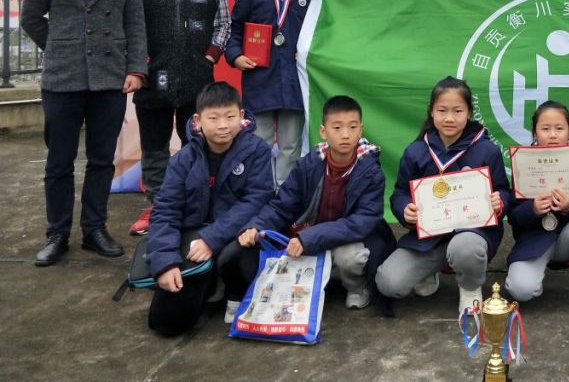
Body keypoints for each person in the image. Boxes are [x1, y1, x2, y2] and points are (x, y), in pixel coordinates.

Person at [21, 0, 148, 267]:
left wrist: (135, 68)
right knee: (59, 160)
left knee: (101, 159)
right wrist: (62, 46)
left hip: (110, 78)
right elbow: (31, 17)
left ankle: (94, 229)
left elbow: (134, 22)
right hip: (63, 79)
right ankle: (57, 234)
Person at [228, 95, 395, 315]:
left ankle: (356, 287)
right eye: (337, 127)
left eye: (352, 127)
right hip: (309, 232)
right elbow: (282, 205)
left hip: (347, 238)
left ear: (360, 130)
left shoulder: (370, 171)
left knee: (350, 257)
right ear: (323, 131)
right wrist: (256, 226)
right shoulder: (309, 164)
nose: (346, 134)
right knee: (274, 247)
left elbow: (360, 223)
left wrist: (309, 238)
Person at [144, 82, 274, 335]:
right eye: (213, 118)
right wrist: (165, 263)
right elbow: (165, 211)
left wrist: (211, 238)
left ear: (241, 116)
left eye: (230, 117)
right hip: (193, 243)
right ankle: (210, 281)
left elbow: (257, 200)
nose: (223, 125)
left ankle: (236, 292)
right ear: (198, 120)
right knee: (166, 323)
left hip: (232, 238)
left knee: (240, 253)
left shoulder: (257, 150)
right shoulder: (183, 159)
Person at [375, 77, 511, 313]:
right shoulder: (416, 151)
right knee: (388, 283)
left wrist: (501, 202)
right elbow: (400, 193)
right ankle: (430, 271)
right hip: (430, 237)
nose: (449, 118)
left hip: (473, 233)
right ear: (431, 112)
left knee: (464, 248)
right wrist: (405, 209)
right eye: (442, 110)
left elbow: (505, 191)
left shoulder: (487, 150)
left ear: (469, 113)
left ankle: (470, 288)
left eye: (458, 111)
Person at [130, 0, 230, 236]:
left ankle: (196, 204)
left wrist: (209, 57)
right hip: (152, 80)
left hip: (197, 80)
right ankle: (158, 207)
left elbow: (223, 24)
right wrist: (139, 64)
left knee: (197, 146)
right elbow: (130, 26)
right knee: (154, 149)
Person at [504, 101, 569, 319]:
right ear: (535, 133)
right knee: (521, 290)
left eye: (559, 128)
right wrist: (533, 209)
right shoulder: (523, 164)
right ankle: (534, 275)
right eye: (545, 128)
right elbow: (513, 216)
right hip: (534, 240)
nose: (552, 134)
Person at [225, 0, 313, 187]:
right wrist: (236, 57)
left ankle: (284, 194)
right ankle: (260, 191)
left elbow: (322, 29)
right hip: (260, 79)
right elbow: (234, 31)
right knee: (259, 141)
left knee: (290, 145)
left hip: (295, 80)